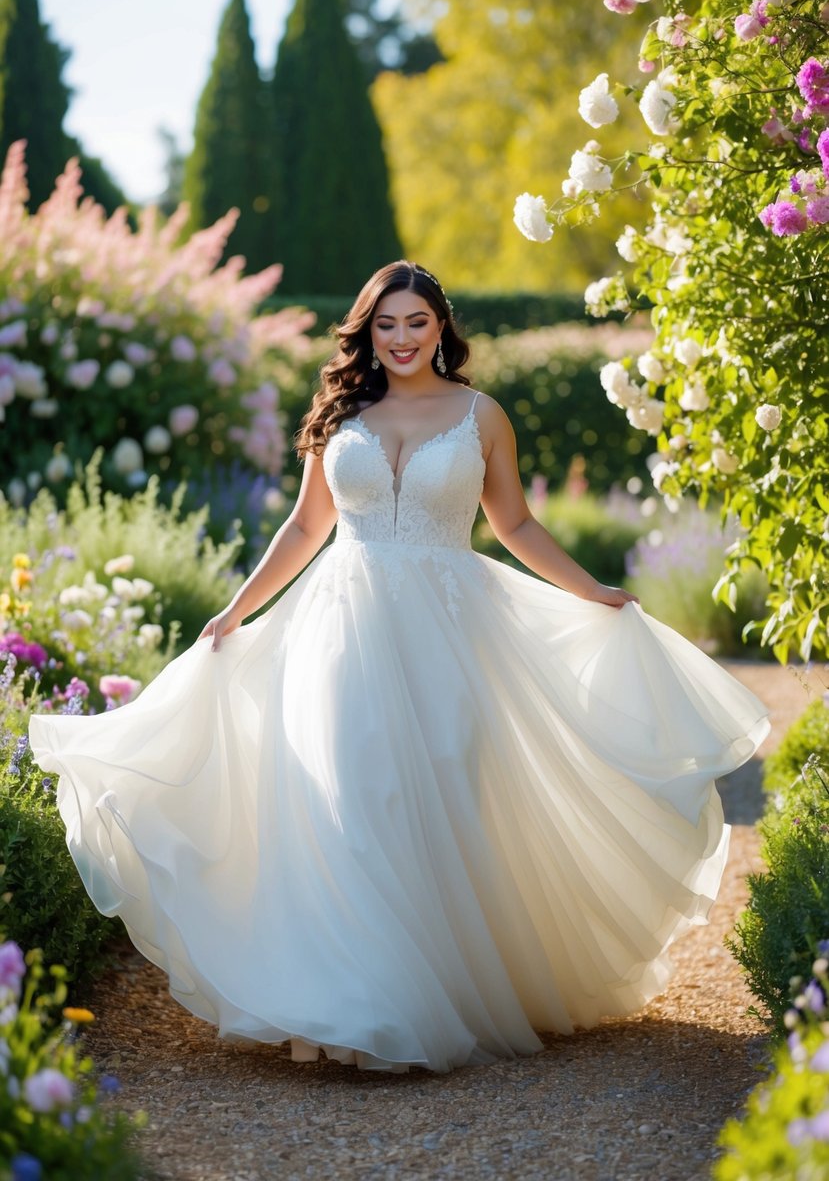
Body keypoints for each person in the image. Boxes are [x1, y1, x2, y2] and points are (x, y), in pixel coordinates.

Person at [29, 260, 769, 1074]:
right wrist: (237, 610)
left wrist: (591, 590)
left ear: (440, 328)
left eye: (416, 322)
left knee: (447, 791)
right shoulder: (339, 414)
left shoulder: (480, 415)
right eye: (386, 324)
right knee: (350, 792)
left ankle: (435, 992)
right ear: (366, 332)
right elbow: (306, 529)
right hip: (340, 625)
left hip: (452, 630)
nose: (402, 338)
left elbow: (514, 523)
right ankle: (354, 1005)